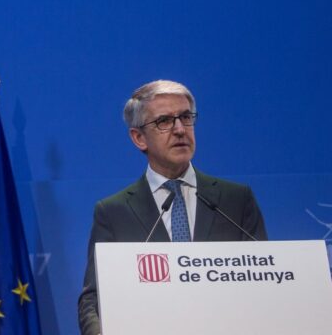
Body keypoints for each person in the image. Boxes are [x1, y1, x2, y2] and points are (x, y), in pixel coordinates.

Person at [77, 80, 267, 335]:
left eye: (186, 117)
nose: (179, 129)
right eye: (164, 121)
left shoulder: (236, 200)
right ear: (139, 138)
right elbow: (93, 299)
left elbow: (265, 281)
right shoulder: (113, 212)